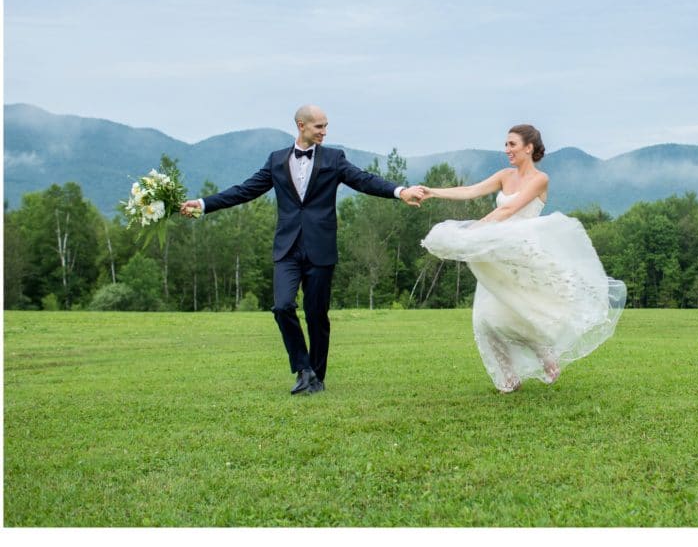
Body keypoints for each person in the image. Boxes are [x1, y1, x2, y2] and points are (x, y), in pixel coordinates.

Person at [181, 105, 426, 395]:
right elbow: (244, 190)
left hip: (320, 248)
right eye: (318, 126)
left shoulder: (334, 159)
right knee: (282, 306)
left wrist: (400, 191)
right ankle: (304, 368)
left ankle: (317, 378)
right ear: (301, 125)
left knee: (316, 315)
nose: (324, 131)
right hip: (287, 249)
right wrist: (204, 204)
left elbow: (364, 180)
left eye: (325, 126)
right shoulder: (276, 161)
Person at [420, 124, 625, 393]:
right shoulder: (505, 175)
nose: (507, 150)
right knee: (485, 318)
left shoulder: (540, 179)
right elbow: (471, 191)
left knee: (527, 313)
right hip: (497, 254)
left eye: (512, 145)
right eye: (505, 145)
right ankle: (509, 377)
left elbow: (509, 209)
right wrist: (433, 191)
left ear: (529, 148)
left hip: (525, 254)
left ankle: (545, 355)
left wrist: (474, 230)